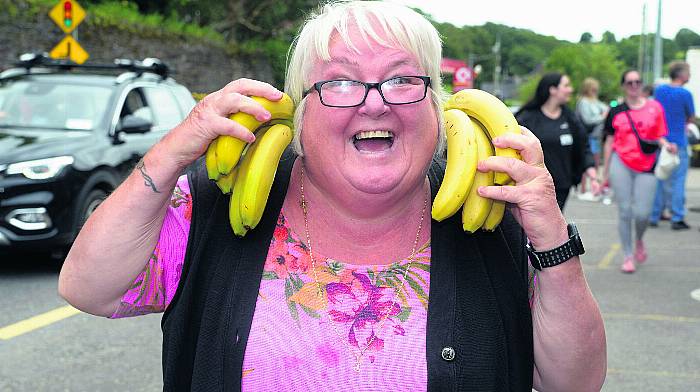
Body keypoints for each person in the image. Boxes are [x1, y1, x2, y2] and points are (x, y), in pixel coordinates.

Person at [58, 1, 606, 390]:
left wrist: (553, 237)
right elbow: (89, 288)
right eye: (340, 82)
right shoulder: (216, 206)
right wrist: (167, 156)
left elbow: (573, 383)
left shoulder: (489, 217)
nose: (375, 104)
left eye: (402, 80)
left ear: (439, 109)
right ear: (298, 112)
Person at [602, 69, 674, 273]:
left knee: (642, 214)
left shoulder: (655, 108)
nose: (634, 85)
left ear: (642, 84)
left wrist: (667, 146)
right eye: (629, 82)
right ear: (624, 86)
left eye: (637, 82)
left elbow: (659, 135)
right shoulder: (616, 110)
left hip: (647, 163)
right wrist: (604, 174)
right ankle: (627, 254)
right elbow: (608, 141)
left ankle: (639, 239)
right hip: (621, 161)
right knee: (625, 211)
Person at [515, 72, 598, 210]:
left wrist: (591, 172)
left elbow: (583, 145)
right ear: (552, 89)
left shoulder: (570, 118)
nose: (570, 89)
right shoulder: (527, 118)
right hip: (532, 185)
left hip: (561, 186)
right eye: (566, 85)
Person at [649, 61, 695, 230]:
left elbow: (653, 110)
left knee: (660, 178)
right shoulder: (685, 94)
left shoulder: (660, 90)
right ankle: (677, 216)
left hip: (661, 141)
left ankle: (655, 215)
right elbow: (690, 117)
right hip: (679, 142)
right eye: (688, 72)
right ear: (682, 75)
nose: (689, 75)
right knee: (678, 181)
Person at [576, 77, 609, 198]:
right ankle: (584, 189)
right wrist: (603, 117)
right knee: (587, 162)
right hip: (587, 135)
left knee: (594, 163)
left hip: (596, 136)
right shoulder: (584, 102)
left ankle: (592, 187)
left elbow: (606, 108)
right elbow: (588, 120)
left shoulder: (594, 101)